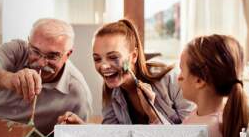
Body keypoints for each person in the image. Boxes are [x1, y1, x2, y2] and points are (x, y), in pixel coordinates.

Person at [0, 18, 92, 136]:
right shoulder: (17, 49)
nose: (41, 63)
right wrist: (9, 79)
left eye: (52, 56)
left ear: (68, 54)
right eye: (36, 52)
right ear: (29, 43)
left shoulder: (78, 93)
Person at [57, 18, 193, 125]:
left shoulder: (172, 80)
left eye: (113, 57)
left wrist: (151, 112)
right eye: (97, 59)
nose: (103, 66)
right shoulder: (111, 92)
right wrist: (82, 128)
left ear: (133, 56)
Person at [178, 34, 249, 137]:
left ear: (199, 80)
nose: (178, 77)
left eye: (182, 70)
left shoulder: (210, 132)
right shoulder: (201, 115)